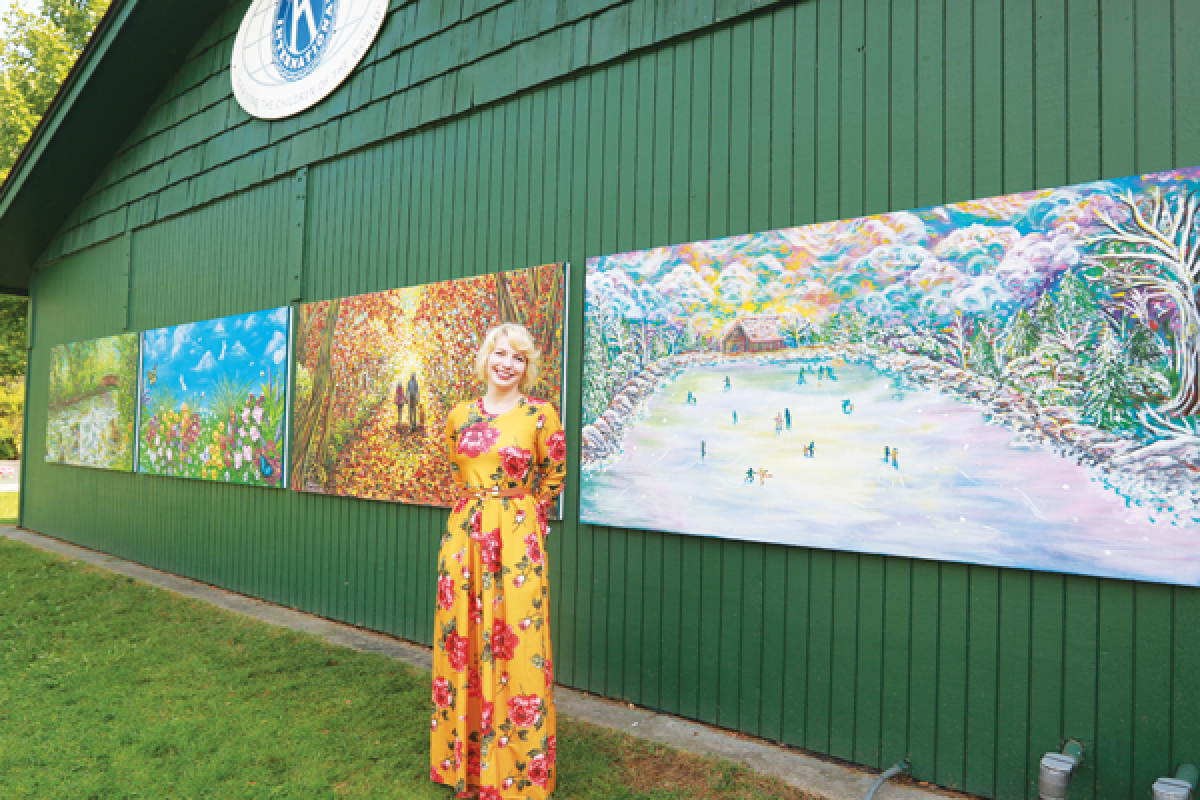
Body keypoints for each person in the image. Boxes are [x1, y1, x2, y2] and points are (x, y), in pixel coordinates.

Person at [431, 324, 566, 800]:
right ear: (486, 358)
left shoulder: (541, 414)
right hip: (465, 541)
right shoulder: (461, 415)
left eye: (518, 358)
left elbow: (554, 474)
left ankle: (518, 772)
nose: (507, 363)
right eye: (500, 354)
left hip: (517, 544)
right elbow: (456, 467)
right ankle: (465, 768)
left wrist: (527, 517)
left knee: (519, 641)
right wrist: (479, 512)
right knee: (464, 640)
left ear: (527, 368)